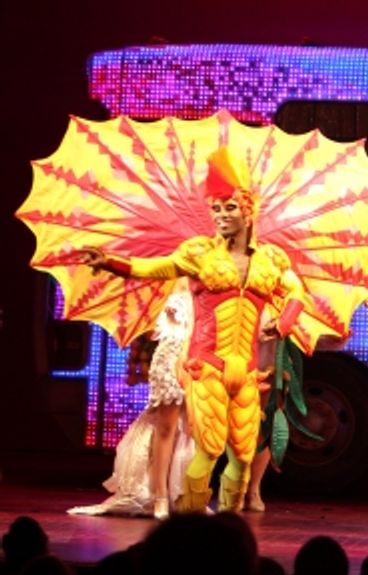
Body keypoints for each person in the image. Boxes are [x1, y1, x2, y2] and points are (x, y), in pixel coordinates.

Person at [80, 148, 309, 513]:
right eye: (215, 208)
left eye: (229, 208)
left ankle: (231, 524)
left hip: (247, 370)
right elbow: (152, 268)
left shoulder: (271, 260)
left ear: (249, 210)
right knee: (209, 448)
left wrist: (282, 323)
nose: (220, 215)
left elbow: (297, 291)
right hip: (207, 366)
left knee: (243, 455)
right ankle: (190, 522)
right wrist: (109, 262)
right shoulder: (199, 255)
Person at [68, 288, 193, 519]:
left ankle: (187, 495)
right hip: (171, 357)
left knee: (191, 430)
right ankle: (160, 496)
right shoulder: (166, 278)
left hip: (200, 359)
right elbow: (149, 330)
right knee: (165, 427)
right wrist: (163, 317)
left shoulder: (214, 276)